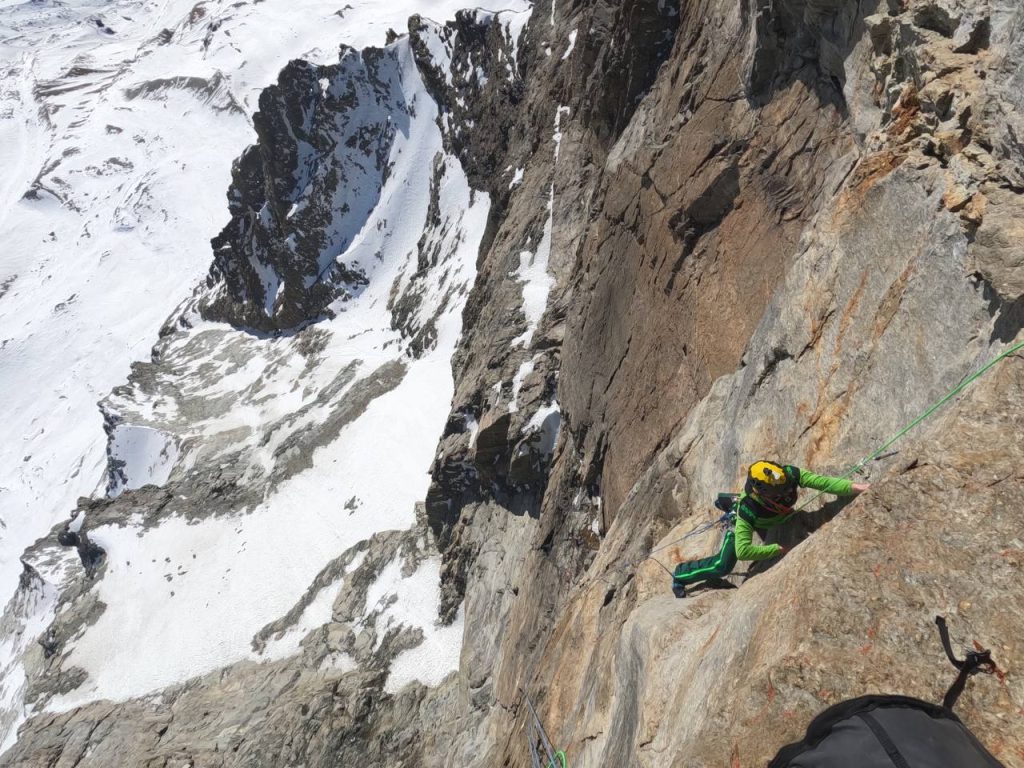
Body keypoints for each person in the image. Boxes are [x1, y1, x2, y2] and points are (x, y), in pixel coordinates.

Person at [671, 461, 869, 597]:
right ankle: (680, 574)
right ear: (763, 493)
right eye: (778, 492)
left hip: (768, 517)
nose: (785, 492)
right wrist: (777, 549)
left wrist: (856, 487)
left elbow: (823, 483)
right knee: (722, 566)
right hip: (746, 518)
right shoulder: (749, 508)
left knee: (767, 519)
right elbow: (743, 551)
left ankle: (727, 499)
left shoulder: (788, 474)